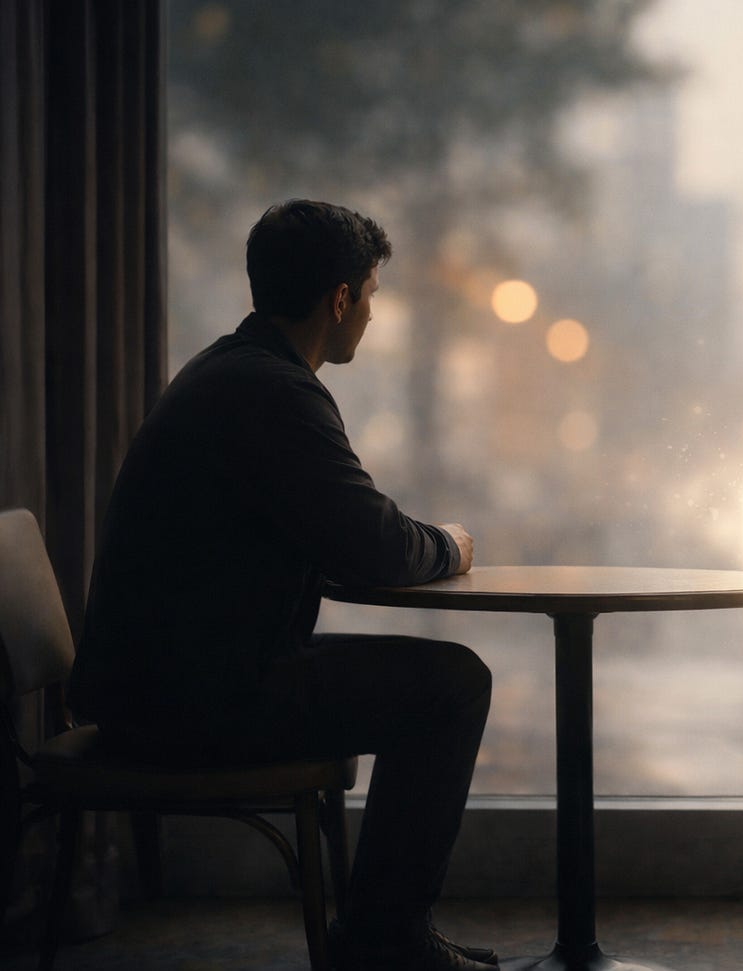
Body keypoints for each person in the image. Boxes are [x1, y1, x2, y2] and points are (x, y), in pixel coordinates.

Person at [69, 200, 499, 971]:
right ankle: (384, 940)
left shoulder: (228, 370)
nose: (371, 313)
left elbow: (338, 533)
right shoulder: (276, 393)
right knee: (453, 684)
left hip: (151, 687)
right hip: (192, 702)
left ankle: (380, 932)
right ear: (340, 298)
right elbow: (376, 547)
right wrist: (452, 544)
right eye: (370, 294)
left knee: (436, 679)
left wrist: (392, 540)